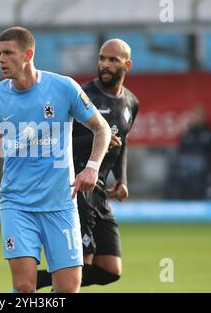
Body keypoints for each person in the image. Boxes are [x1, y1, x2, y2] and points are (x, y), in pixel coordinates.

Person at [0, 27, 111, 293]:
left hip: (61, 204)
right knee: (25, 285)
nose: (1, 59)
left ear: (28, 54)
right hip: (17, 204)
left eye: (8, 53)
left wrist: (92, 168)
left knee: (68, 288)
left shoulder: (63, 87)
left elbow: (102, 128)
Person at [36, 39, 139, 290]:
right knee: (78, 266)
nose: (105, 64)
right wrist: (97, 139)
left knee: (110, 270)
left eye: (113, 60)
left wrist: (121, 179)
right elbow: (55, 139)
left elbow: (121, 143)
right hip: (76, 187)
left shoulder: (131, 103)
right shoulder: (82, 95)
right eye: (102, 58)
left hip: (100, 191)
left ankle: (35, 279)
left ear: (127, 65)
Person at [165, 104, 211, 199]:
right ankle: (173, 199)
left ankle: (198, 197)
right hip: (185, 166)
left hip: (203, 166)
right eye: (194, 115)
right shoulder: (188, 133)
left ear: (204, 116)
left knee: (197, 167)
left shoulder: (210, 133)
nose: (196, 117)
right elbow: (179, 152)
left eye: (198, 115)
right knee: (176, 165)